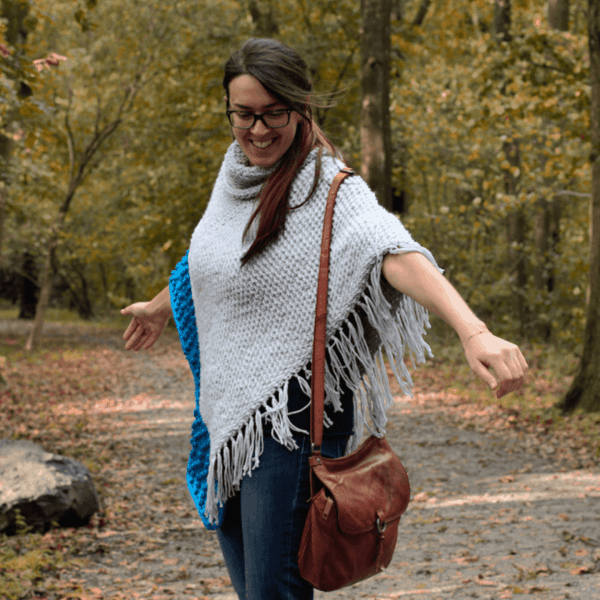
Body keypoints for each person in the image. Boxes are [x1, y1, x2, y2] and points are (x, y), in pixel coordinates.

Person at [121, 37, 528, 600]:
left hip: (293, 421)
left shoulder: (333, 190)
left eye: (273, 113)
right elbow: (213, 262)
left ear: (301, 107)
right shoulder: (233, 180)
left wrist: (473, 330)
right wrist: (160, 305)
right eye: (243, 114)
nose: (257, 130)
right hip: (231, 418)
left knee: (272, 593)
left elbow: (396, 253)